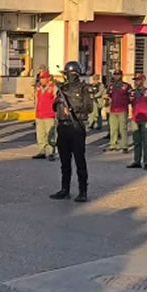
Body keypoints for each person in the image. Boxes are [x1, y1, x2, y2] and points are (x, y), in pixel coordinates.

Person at [50, 62, 93, 203]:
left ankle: (83, 191)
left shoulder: (83, 88)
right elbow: (54, 107)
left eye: (69, 73)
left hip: (77, 126)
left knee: (79, 160)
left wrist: (74, 108)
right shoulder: (62, 89)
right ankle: (65, 189)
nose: (67, 76)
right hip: (63, 127)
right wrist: (58, 102)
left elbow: (89, 107)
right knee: (64, 161)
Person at [127, 73, 147, 170]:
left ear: (143, 80)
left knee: (146, 142)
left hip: (146, 119)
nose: (136, 82)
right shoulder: (132, 92)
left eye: (138, 80)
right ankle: (137, 161)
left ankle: (146, 162)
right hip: (135, 118)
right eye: (135, 80)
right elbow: (127, 101)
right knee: (136, 142)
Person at [105, 69, 131, 153]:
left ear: (121, 75)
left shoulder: (126, 86)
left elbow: (131, 96)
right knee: (113, 129)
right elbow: (107, 95)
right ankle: (113, 145)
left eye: (118, 75)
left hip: (123, 109)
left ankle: (124, 146)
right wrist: (106, 100)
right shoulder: (111, 86)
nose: (116, 76)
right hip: (113, 110)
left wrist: (128, 102)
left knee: (123, 129)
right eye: (115, 75)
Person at [33, 70, 56, 161]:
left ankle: (50, 152)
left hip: (49, 115)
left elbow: (57, 101)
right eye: (40, 78)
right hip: (39, 115)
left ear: (47, 79)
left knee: (50, 134)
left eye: (43, 78)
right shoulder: (38, 88)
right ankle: (42, 151)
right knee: (40, 135)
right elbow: (37, 101)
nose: (41, 80)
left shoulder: (53, 88)